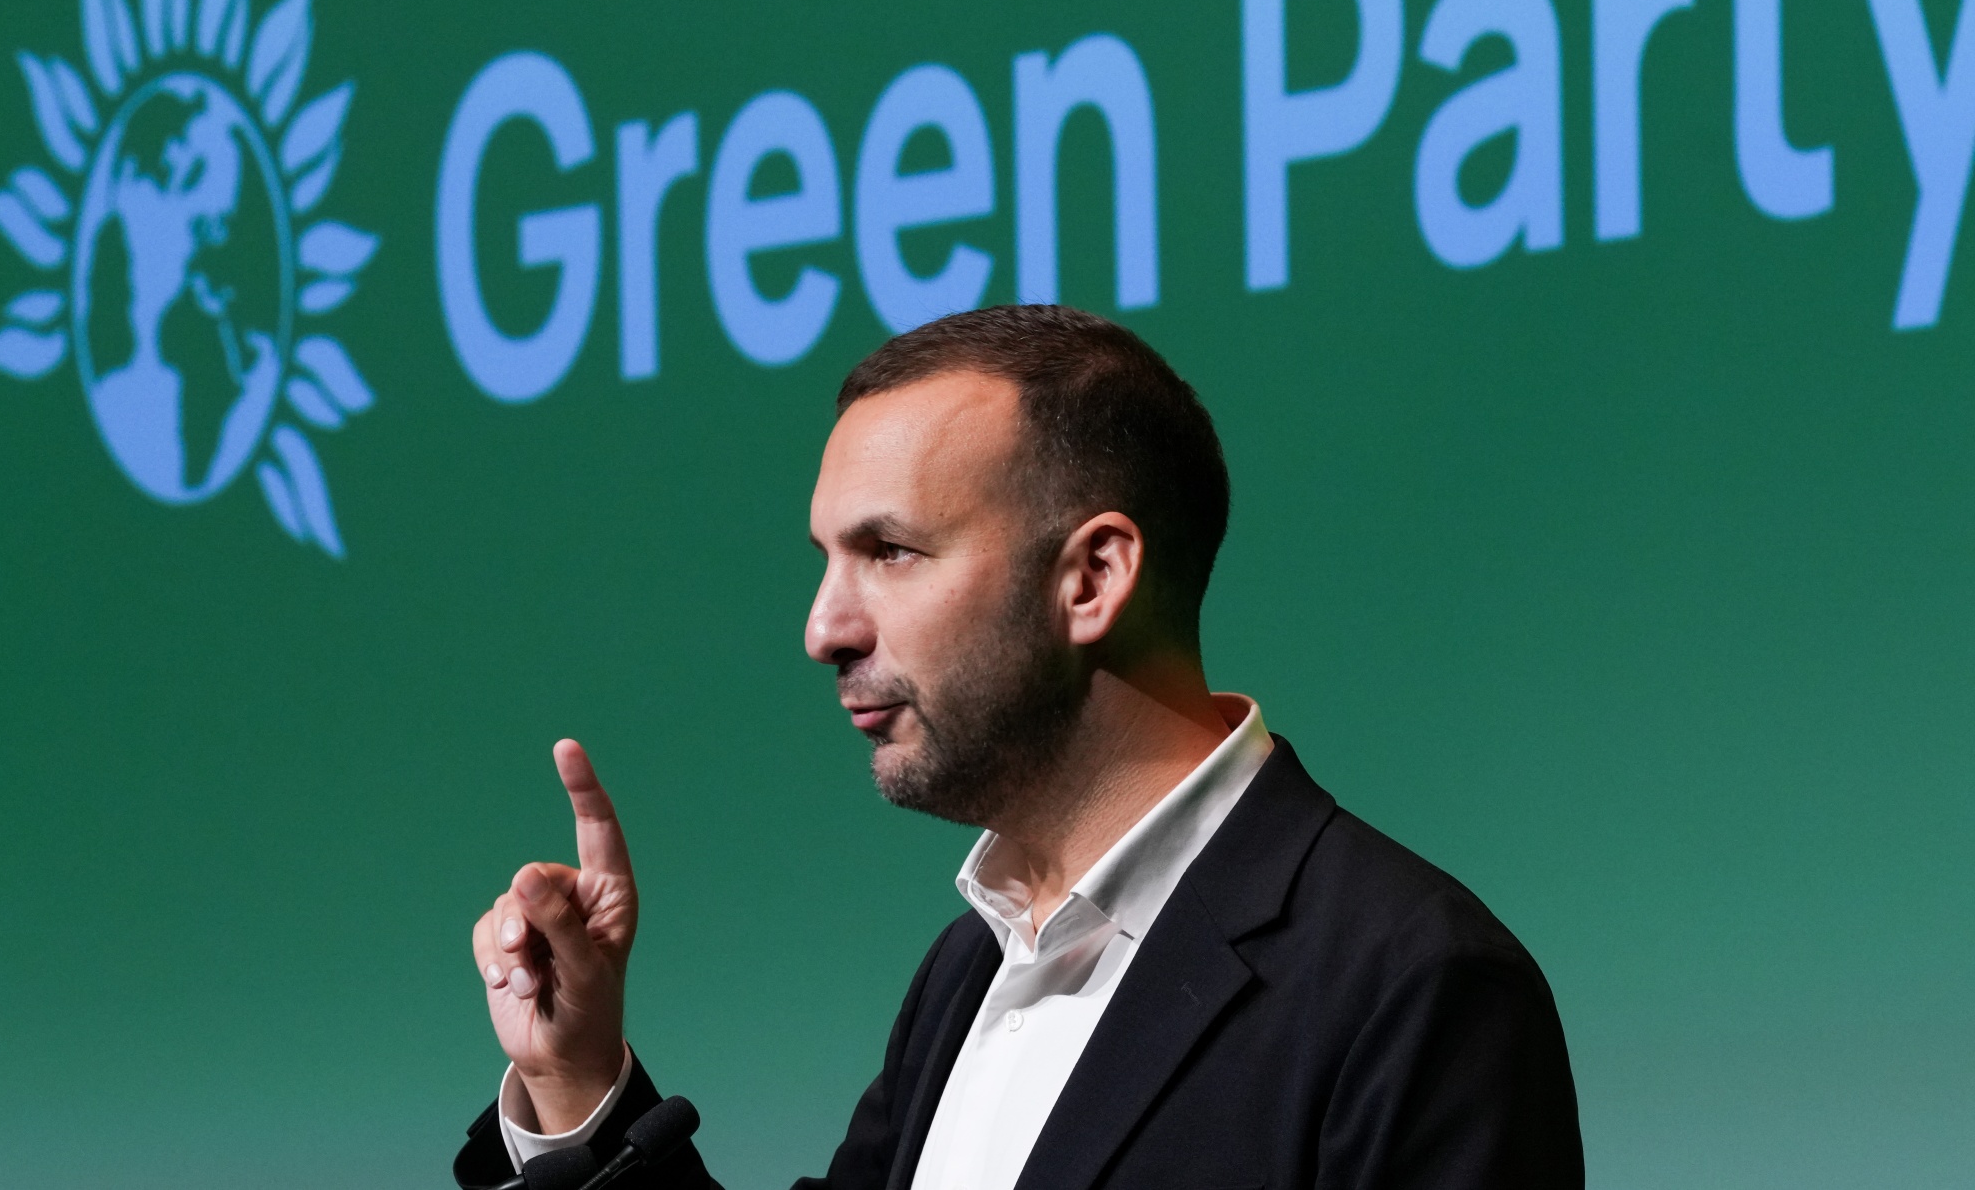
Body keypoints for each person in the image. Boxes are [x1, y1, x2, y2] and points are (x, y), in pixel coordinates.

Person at [454, 305, 1584, 1190]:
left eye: (888, 552)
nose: (822, 628)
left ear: (1091, 578)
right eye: (826, 559)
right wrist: (576, 1072)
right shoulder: (968, 972)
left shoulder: (1411, 984)